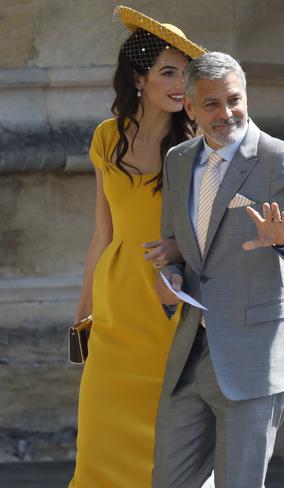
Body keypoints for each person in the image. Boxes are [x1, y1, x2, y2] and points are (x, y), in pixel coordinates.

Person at [153, 52, 284, 488]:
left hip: (256, 359)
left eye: (234, 99)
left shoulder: (279, 159)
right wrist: (170, 281)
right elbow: (175, 250)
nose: (227, 112)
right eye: (212, 104)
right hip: (190, 358)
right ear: (190, 108)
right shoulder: (178, 160)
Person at [68, 6, 206, 487]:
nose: (178, 84)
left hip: (169, 301)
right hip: (114, 305)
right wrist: (83, 310)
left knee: (165, 439)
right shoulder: (106, 139)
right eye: (167, 72)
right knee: (100, 429)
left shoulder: (196, 148)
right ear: (138, 77)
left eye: (185, 75)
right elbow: (102, 233)